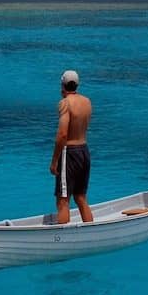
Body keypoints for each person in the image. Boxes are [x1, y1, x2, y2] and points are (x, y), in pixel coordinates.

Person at [50, 69, 93, 224]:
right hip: (84, 151)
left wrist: (54, 161)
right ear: (77, 85)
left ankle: (62, 240)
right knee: (81, 197)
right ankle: (91, 232)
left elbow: (62, 134)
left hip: (69, 153)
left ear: (62, 85)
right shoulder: (87, 102)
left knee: (63, 200)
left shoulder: (65, 104)